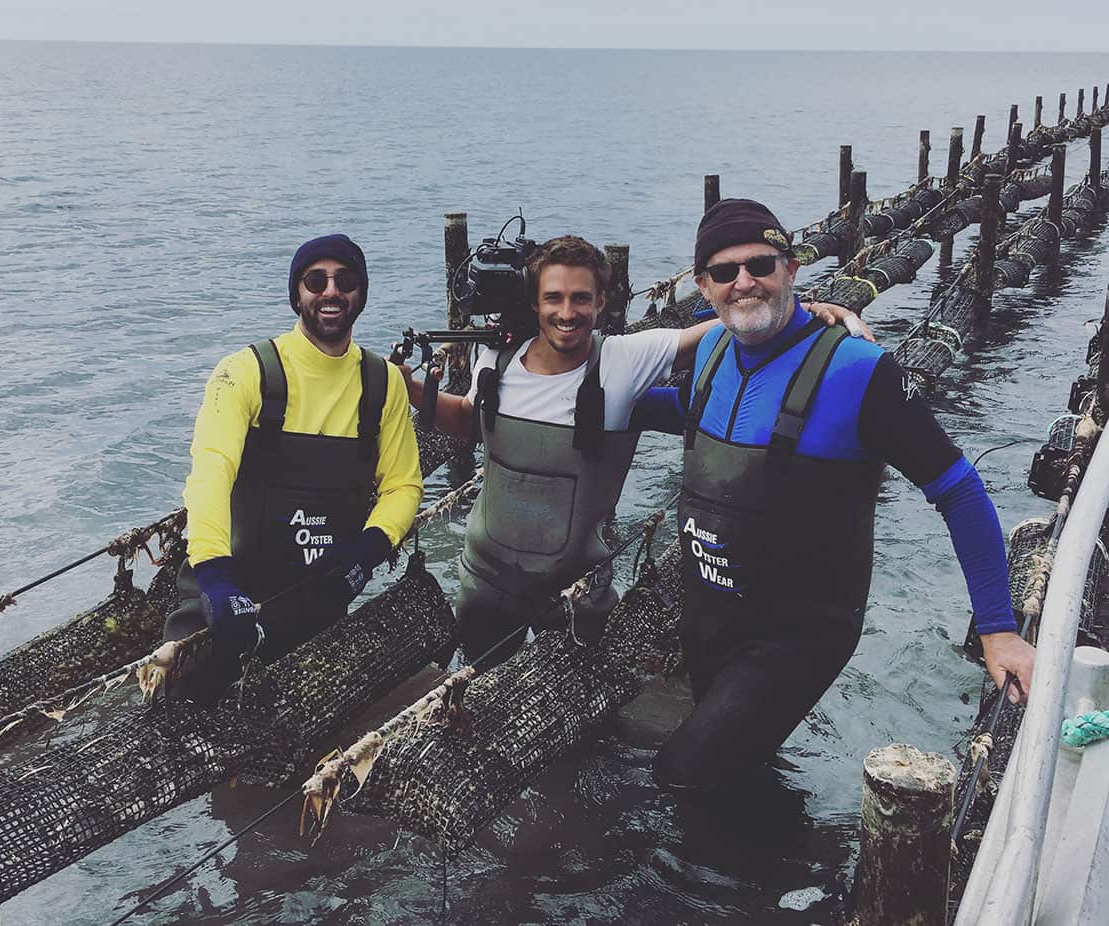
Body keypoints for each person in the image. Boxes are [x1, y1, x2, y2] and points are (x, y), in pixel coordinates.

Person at [630, 199, 1036, 791]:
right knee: (735, 774)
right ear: (703, 286)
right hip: (710, 614)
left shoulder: (858, 369)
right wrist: (584, 391)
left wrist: (997, 629)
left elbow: (959, 489)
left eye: (761, 264)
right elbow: (696, 415)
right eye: (724, 272)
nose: (744, 282)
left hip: (797, 632)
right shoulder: (713, 354)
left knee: (682, 777)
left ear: (792, 268)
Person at [401, 235, 865, 668]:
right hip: (484, 582)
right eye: (553, 298)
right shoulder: (495, 359)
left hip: (576, 596)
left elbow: (728, 326)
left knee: (570, 721)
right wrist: (407, 386)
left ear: (602, 302)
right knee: (477, 696)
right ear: (533, 302)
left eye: (581, 298)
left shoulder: (625, 359)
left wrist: (804, 309)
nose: (568, 313)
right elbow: (466, 420)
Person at [165, 234, 423, 702]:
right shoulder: (243, 372)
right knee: (182, 702)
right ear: (296, 294)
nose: (330, 292)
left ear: (361, 293)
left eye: (345, 280)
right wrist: (215, 577)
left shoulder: (383, 383)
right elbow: (211, 473)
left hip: (319, 598)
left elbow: (403, 484)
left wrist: (368, 551)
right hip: (228, 593)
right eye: (314, 280)